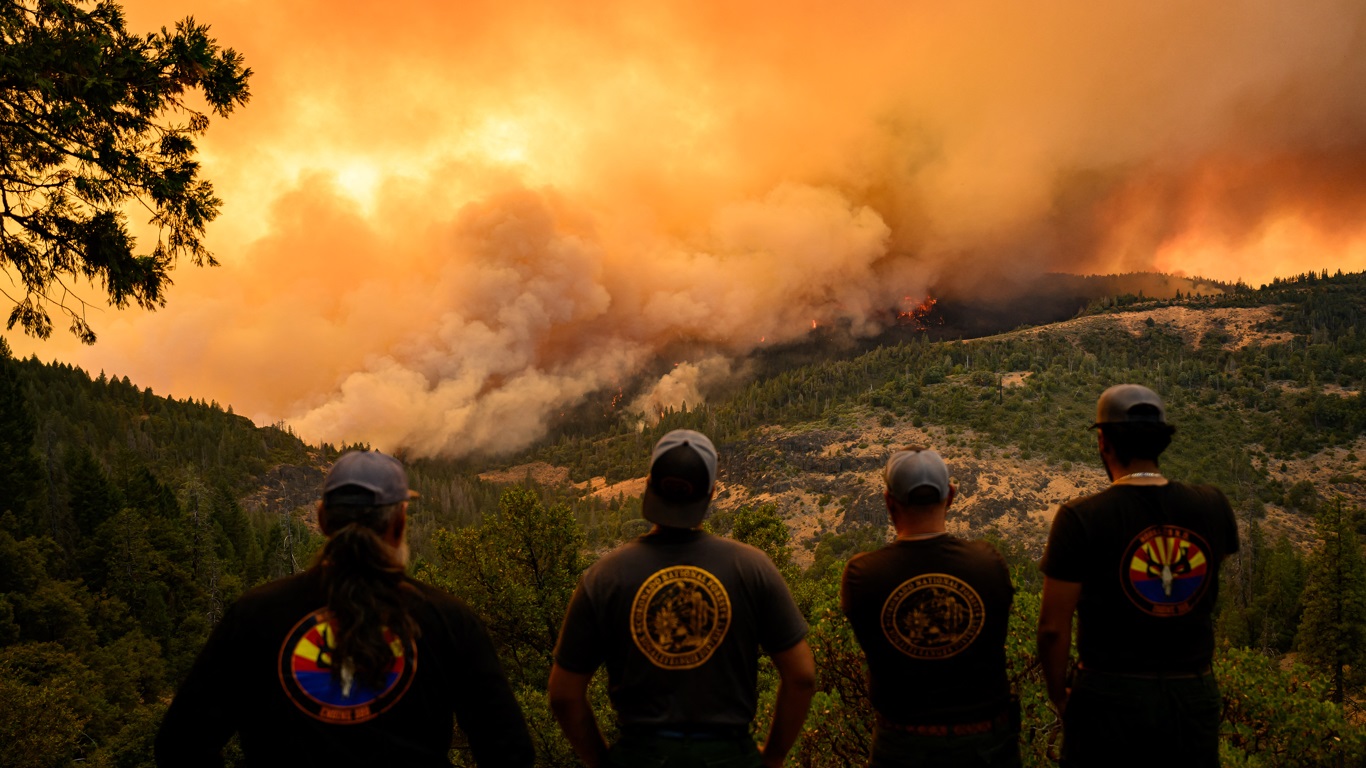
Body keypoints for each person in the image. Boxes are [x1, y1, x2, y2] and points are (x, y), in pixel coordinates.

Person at [156, 450, 534, 767]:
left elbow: (180, 744)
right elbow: (509, 749)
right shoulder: (447, 618)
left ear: (322, 520)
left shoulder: (255, 615)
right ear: (399, 522)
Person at [548, 429, 816, 768]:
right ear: (712, 493)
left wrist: (601, 761)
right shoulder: (752, 568)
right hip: (730, 755)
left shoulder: (604, 577)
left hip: (639, 754)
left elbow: (563, 694)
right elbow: (802, 676)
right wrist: (774, 755)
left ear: (648, 484)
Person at [1036, 385, 1239, 767]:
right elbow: (1203, 581)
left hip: (1108, 694)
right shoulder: (1212, 506)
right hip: (1192, 692)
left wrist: (1059, 694)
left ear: (1103, 442)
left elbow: (1051, 628)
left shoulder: (1081, 517)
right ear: (1162, 441)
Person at [841, 447, 1019, 767]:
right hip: (986, 745)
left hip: (900, 745)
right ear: (950, 496)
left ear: (888, 501)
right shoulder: (988, 564)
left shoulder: (862, 575)